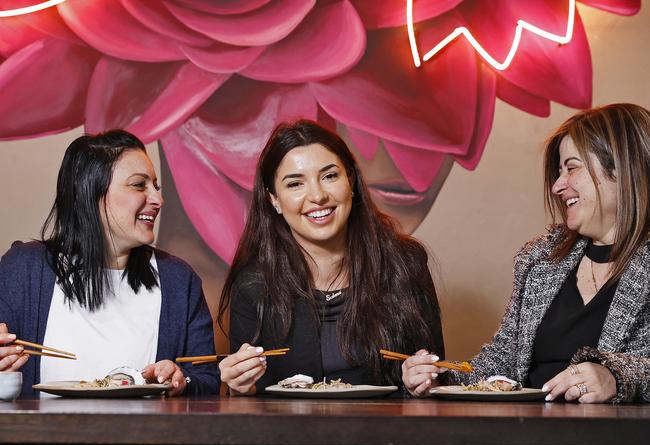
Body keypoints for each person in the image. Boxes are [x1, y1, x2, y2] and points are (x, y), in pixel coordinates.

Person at [403, 103, 650, 403]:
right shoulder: (540, 259)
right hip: (531, 435)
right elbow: (500, 361)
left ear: (623, 169)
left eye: (571, 168)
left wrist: (618, 378)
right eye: (559, 172)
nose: (558, 186)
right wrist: (440, 378)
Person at [217, 120, 444, 395]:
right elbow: (250, 401)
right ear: (274, 200)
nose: (317, 195)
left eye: (330, 176)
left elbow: (435, 376)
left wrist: (420, 381)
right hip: (290, 435)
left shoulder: (404, 264)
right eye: (295, 184)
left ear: (351, 182)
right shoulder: (254, 285)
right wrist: (241, 387)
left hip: (387, 433)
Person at [0, 130, 219, 397]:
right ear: (91, 193)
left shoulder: (178, 280)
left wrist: (182, 380)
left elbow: (207, 380)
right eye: (139, 185)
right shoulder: (24, 270)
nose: (158, 200)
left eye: (156, 186)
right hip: (45, 438)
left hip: (144, 439)